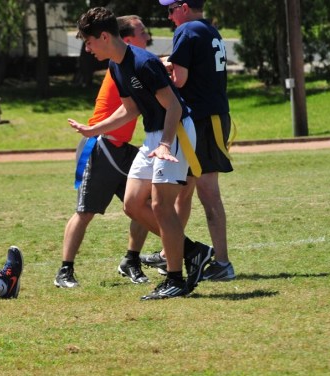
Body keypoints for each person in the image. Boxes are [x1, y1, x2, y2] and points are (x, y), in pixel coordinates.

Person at [68, 7, 213, 300]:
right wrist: (95, 130)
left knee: (160, 206)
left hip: (175, 132)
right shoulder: (115, 65)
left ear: (105, 36)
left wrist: (165, 143)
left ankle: (175, 279)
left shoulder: (143, 62)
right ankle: (193, 252)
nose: (87, 48)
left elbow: (173, 106)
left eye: (89, 41)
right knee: (133, 204)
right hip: (153, 135)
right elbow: (130, 108)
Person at [55, 15, 153, 289]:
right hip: (101, 145)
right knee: (86, 211)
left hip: (123, 149)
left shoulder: (134, 62)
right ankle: (64, 270)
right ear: (129, 39)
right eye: (143, 32)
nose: (148, 37)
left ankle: (131, 260)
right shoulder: (122, 65)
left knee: (145, 204)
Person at [142, 0, 235, 281]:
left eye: (170, 10)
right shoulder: (208, 28)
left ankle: (222, 263)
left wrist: (158, 68)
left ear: (183, 7)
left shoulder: (186, 30)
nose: (168, 16)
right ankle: (174, 250)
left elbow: (180, 80)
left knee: (208, 192)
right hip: (209, 116)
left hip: (204, 119)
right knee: (183, 189)